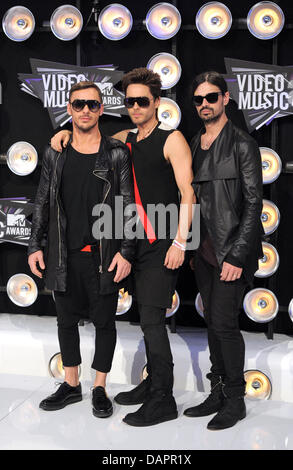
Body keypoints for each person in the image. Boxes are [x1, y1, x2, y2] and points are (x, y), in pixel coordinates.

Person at [51, 68, 195, 427]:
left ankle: (163, 398)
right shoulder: (123, 138)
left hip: (162, 242)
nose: (135, 107)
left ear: (157, 103)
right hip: (128, 244)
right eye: (129, 101)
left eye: (142, 101)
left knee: (151, 320)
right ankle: (151, 385)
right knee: (143, 321)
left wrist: (180, 242)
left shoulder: (172, 138)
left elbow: (189, 194)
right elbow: (88, 135)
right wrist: (64, 133)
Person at [28, 81, 135, 419]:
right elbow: (42, 201)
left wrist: (126, 252)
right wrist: (35, 244)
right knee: (65, 321)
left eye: (92, 104)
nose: (85, 110)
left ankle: (99, 387)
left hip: (102, 254)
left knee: (105, 322)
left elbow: (128, 206)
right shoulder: (54, 152)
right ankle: (71, 384)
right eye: (78, 104)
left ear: (101, 109)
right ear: (69, 109)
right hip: (63, 252)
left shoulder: (116, 152)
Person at [183, 71, 264, 430]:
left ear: (225, 99)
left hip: (230, 248)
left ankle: (235, 398)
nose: (204, 105)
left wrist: (236, 254)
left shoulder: (242, 143)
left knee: (225, 324)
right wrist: (188, 246)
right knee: (212, 326)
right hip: (202, 250)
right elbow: (191, 199)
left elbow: (253, 203)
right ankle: (217, 391)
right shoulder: (193, 141)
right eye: (199, 100)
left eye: (211, 97)